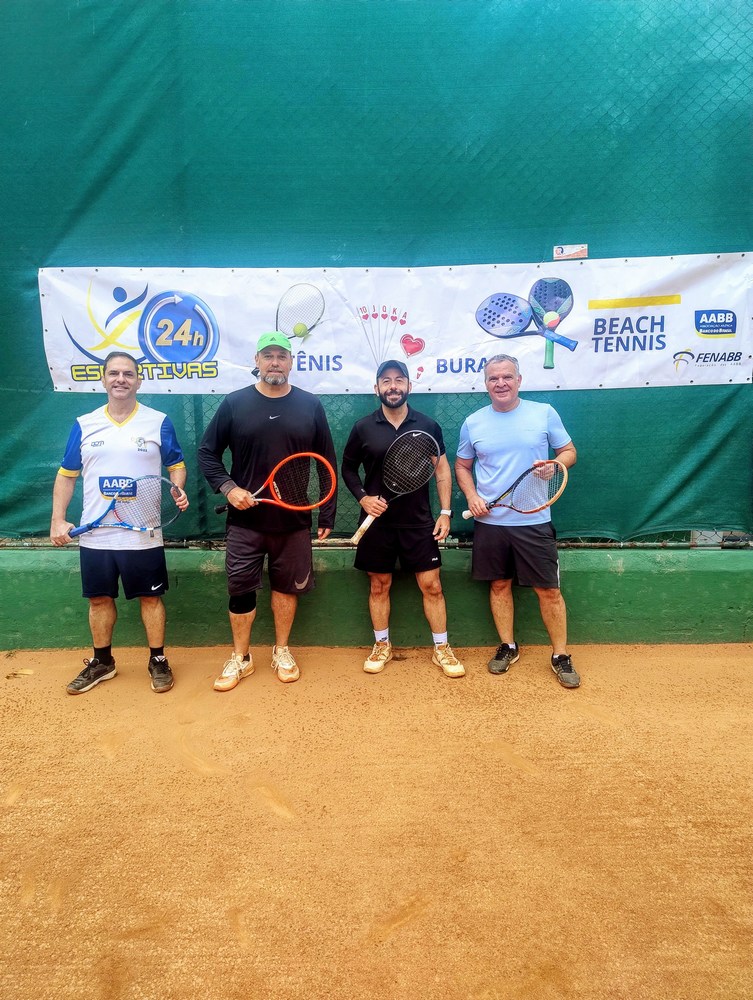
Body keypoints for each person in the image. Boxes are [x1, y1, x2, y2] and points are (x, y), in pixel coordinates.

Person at [198, 332, 337, 691]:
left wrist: (327, 513)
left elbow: (325, 461)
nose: (275, 362)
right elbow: (207, 453)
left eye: (281, 356)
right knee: (241, 591)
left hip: (293, 520)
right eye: (268, 355)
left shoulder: (310, 405)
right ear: (257, 361)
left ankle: (282, 650)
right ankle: (241, 657)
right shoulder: (234, 403)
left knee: (286, 589)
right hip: (245, 522)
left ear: (291, 362)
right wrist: (229, 489)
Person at [50, 351, 189, 695]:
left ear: (139, 380)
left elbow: (176, 465)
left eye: (128, 374)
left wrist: (177, 487)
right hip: (96, 536)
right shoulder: (85, 424)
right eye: (114, 373)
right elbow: (67, 475)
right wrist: (57, 520)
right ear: (103, 379)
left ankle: (158, 660)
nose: (121, 379)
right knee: (98, 600)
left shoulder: (158, 421)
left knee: (150, 599)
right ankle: (103, 662)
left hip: (144, 533)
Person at [454, 353, 580, 688]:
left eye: (507, 377)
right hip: (490, 523)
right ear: (486, 384)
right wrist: (472, 496)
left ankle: (560, 655)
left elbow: (569, 452)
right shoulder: (473, 423)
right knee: (499, 585)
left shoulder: (544, 413)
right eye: (493, 378)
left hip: (534, 521)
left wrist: (556, 465)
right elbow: (462, 466)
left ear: (519, 380)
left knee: (548, 590)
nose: (501, 383)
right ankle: (508, 646)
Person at [341, 359, 464, 678]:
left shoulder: (428, 425)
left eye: (399, 380)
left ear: (409, 385)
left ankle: (441, 649)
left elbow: (441, 469)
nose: (393, 386)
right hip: (376, 524)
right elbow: (348, 469)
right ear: (376, 388)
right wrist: (363, 498)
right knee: (379, 585)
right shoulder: (362, 427)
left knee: (432, 585)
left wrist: (445, 512)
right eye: (386, 380)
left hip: (419, 522)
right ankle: (382, 645)